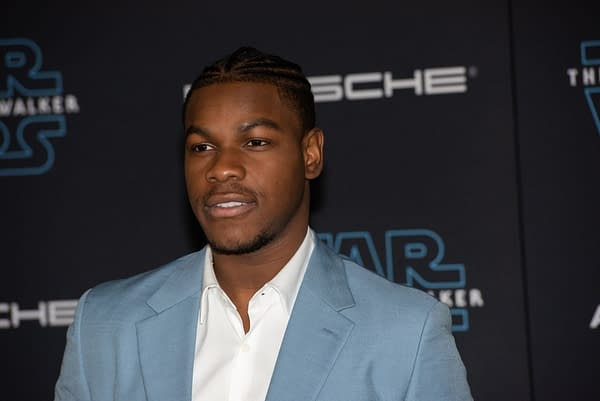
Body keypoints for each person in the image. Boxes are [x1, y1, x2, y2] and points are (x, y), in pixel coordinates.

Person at [54, 47, 473, 401]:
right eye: (202, 146)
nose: (221, 168)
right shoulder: (105, 326)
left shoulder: (406, 333)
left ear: (310, 153)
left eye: (255, 142)